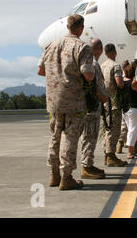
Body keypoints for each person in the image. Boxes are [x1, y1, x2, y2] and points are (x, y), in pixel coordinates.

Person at [37, 14, 94, 190]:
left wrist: (57, 78)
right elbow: (89, 75)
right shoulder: (82, 47)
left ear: (67, 27)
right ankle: (66, 176)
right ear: (81, 28)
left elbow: (40, 70)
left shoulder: (50, 46)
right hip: (73, 100)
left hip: (53, 100)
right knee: (70, 136)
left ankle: (53, 174)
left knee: (55, 136)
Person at [80, 38, 109, 179]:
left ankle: (88, 164)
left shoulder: (90, 62)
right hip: (92, 106)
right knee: (90, 136)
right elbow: (95, 85)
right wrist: (103, 98)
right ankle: (86, 166)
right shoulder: (94, 63)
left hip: (89, 105)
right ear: (100, 50)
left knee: (89, 136)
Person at [101, 43, 128, 167]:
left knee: (106, 129)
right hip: (114, 102)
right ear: (114, 52)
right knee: (114, 129)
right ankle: (111, 155)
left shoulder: (102, 66)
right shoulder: (115, 66)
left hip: (103, 102)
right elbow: (120, 84)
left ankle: (107, 154)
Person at [117, 60, 130, 154]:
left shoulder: (120, 77)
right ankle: (125, 143)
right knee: (128, 125)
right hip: (129, 104)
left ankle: (121, 143)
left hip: (122, 103)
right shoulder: (129, 77)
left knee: (123, 125)